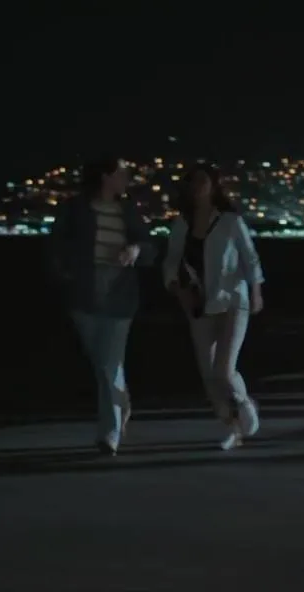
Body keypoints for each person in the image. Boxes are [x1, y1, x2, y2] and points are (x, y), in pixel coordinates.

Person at [47, 158, 156, 456]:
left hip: (120, 295)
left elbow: (149, 247)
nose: (127, 178)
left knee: (108, 364)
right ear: (105, 176)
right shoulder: (75, 208)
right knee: (104, 363)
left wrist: (136, 249)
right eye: (121, 173)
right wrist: (65, 274)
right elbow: (56, 245)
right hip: (84, 294)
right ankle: (121, 404)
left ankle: (110, 432)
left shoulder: (127, 210)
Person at [161, 165, 266, 451]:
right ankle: (232, 426)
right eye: (193, 182)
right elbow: (171, 260)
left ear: (214, 185)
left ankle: (245, 403)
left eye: (203, 181)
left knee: (224, 369)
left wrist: (256, 291)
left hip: (233, 299)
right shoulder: (182, 223)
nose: (198, 186)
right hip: (199, 303)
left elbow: (250, 258)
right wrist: (176, 288)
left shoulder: (230, 220)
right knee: (208, 373)